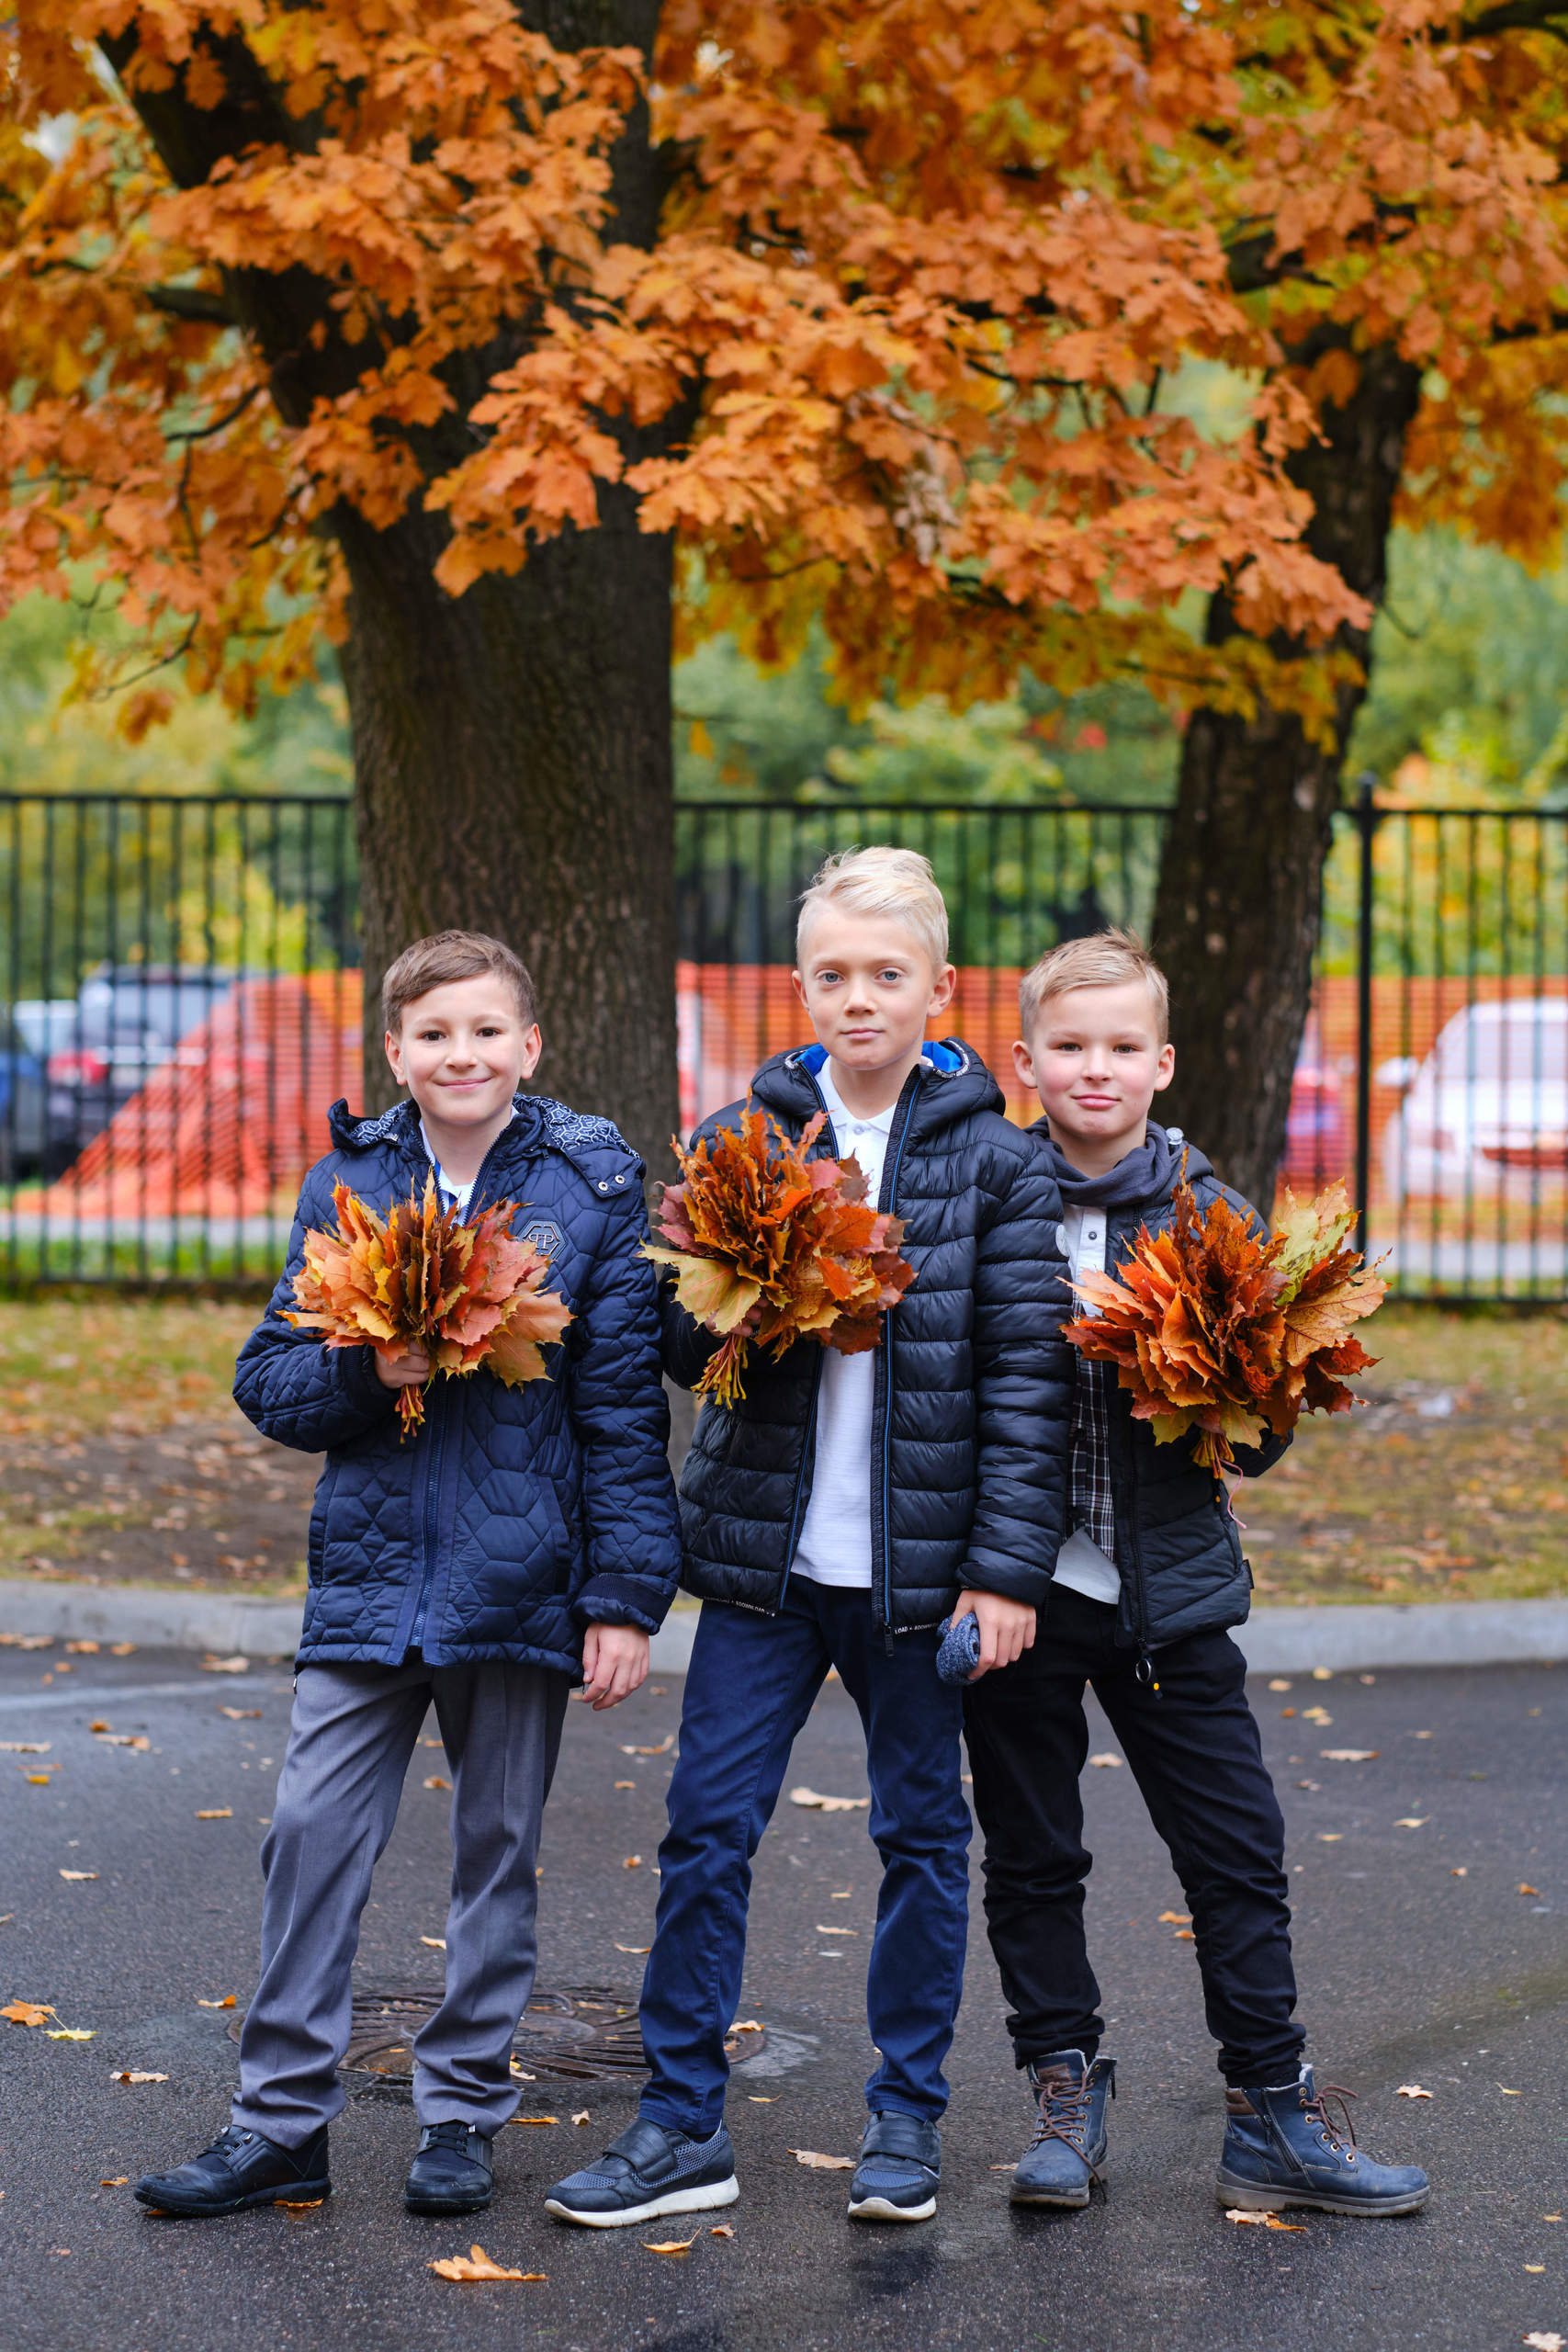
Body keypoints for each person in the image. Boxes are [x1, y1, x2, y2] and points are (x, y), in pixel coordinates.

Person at [547, 846, 1074, 2233]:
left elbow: (1028, 1384)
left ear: (940, 989)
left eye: (886, 975)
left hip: (919, 1578)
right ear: (799, 986)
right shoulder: (747, 1137)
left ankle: (905, 2120)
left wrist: (1006, 1572)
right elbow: (671, 1333)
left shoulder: (1001, 1166)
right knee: (706, 1831)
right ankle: (677, 2126)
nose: (859, 998)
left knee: (921, 1840)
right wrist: (747, 1293)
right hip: (763, 1571)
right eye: (833, 975)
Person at [135, 929, 681, 2222]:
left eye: (487, 1031)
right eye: (434, 1035)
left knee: (496, 1852)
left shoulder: (585, 1187)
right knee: (311, 1838)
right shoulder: (355, 1182)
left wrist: (622, 1599)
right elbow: (268, 1377)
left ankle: (462, 2115)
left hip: (520, 1576)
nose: (462, 1054)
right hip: (371, 1579)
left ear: (530, 1045)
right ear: (396, 1052)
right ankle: (278, 2124)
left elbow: (617, 1414)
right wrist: (365, 1375)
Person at [964, 927, 1429, 2219]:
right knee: (1033, 1853)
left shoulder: (1211, 1214)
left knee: (1235, 1853)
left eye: (1121, 1048)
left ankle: (1271, 2109)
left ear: (1163, 1063)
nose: (1095, 1069)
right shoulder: (992, 1202)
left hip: (1167, 1595)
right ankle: (1063, 2092)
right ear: (1027, 1061)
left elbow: (1270, 1430)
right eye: (1069, 1047)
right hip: (1020, 1594)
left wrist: (1222, 1384)